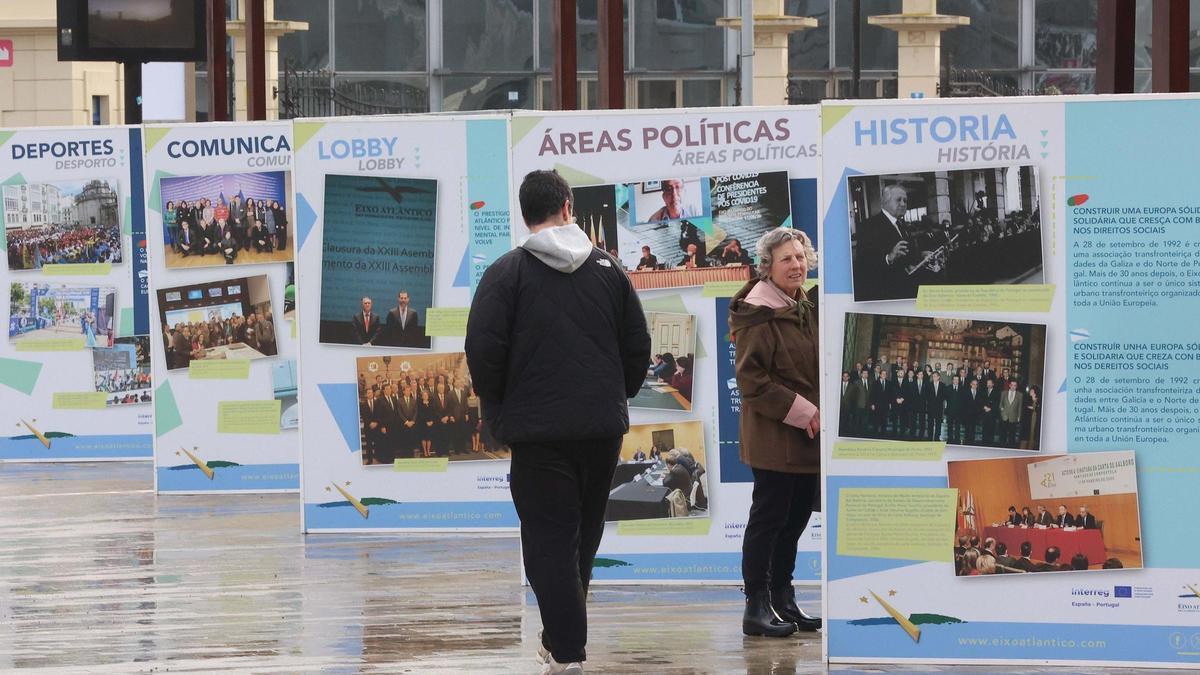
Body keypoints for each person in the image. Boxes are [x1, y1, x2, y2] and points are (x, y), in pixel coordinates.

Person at [465, 169, 650, 674]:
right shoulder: (610, 270)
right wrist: (616, 397)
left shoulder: (505, 273)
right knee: (583, 536)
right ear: (569, 206)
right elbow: (638, 345)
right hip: (600, 431)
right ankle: (560, 637)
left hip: (538, 435)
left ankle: (567, 650)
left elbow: (483, 352)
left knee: (548, 540)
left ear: (526, 214)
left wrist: (500, 412)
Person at [728, 227, 821, 638]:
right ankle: (756, 606)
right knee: (768, 520)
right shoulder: (757, 311)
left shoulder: (805, 305)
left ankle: (783, 600)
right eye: (786, 259)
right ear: (767, 266)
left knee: (795, 520)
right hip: (774, 436)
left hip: (806, 437)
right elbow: (752, 382)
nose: (796, 265)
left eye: (800, 257)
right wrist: (804, 411)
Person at [853, 184, 920, 301]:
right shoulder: (869, 226)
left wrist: (921, 257)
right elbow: (863, 264)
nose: (903, 204)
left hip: (906, 288)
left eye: (905, 200)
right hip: (885, 293)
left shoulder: (903, 225)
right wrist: (889, 258)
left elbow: (907, 254)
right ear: (885, 202)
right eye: (898, 200)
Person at [999, 379, 1023, 447]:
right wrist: (1002, 412)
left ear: (1016, 386)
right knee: (1003, 435)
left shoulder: (1020, 395)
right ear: (1009, 385)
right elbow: (1000, 404)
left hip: (1013, 417)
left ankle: (1010, 449)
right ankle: (1002, 448)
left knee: (1012, 436)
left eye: (1015, 385)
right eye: (1012, 385)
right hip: (1004, 417)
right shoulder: (1003, 393)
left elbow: (1020, 407)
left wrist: (1019, 417)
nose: (1013, 387)